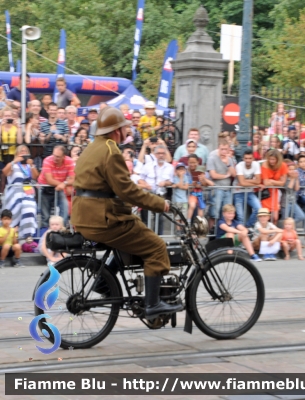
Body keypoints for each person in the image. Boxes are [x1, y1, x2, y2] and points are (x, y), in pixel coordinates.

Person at [71, 107, 183, 319]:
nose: (127, 131)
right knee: (156, 247)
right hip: (104, 220)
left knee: (132, 238)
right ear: (116, 130)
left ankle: (104, 283)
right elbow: (128, 191)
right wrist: (160, 204)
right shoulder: (111, 151)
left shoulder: (91, 148)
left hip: (85, 217)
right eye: (125, 127)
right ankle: (153, 305)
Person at [2, 145, 39, 240]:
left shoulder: (29, 166)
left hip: (27, 193)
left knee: (29, 209)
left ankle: (28, 235)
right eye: (21, 151)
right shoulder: (13, 165)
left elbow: (36, 177)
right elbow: (5, 172)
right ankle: (11, 234)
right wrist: (14, 161)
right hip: (14, 193)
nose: (23, 152)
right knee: (16, 208)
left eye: (25, 151)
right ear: (17, 154)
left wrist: (32, 165)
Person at [138, 145, 174, 235]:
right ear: (155, 154)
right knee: (145, 217)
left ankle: (158, 237)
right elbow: (140, 178)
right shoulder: (147, 166)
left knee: (160, 218)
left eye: (163, 153)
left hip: (160, 195)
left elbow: (171, 182)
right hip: (148, 194)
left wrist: (165, 183)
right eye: (159, 153)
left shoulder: (170, 167)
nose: (161, 155)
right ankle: (145, 237)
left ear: (165, 155)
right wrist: (145, 185)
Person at [38, 146, 75, 227]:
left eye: (57, 156)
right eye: (54, 155)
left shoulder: (69, 161)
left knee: (65, 209)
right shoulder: (47, 160)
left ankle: (62, 231)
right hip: (45, 187)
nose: (54, 158)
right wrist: (63, 184)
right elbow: (49, 180)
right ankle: (46, 235)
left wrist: (64, 184)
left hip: (59, 187)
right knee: (45, 215)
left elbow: (73, 179)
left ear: (64, 156)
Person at [207, 140, 236, 221]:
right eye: (222, 149)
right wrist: (226, 175)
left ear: (228, 149)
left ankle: (223, 232)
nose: (223, 151)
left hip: (227, 189)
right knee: (214, 213)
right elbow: (213, 175)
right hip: (216, 189)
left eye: (225, 149)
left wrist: (228, 164)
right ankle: (211, 232)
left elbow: (234, 174)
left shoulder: (229, 159)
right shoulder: (212, 158)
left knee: (227, 213)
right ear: (218, 148)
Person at [233, 149, 262, 228]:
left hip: (249, 191)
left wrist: (244, 180)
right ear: (243, 159)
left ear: (253, 158)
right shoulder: (239, 166)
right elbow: (242, 183)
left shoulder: (256, 165)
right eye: (246, 158)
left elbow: (258, 180)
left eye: (250, 158)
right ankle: (240, 233)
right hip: (238, 192)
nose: (248, 160)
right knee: (240, 216)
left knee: (259, 209)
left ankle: (248, 227)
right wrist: (254, 182)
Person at [260, 149, 288, 225]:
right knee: (265, 216)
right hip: (265, 193)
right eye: (270, 159)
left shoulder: (283, 165)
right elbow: (266, 182)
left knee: (275, 217)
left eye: (273, 159)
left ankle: (272, 233)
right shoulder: (265, 164)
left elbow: (282, 183)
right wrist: (277, 182)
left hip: (274, 192)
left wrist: (272, 181)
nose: (271, 161)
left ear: (278, 159)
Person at [171, 163, 189, 235]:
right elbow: (180, 185)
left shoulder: (186, 177)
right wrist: (181, 179)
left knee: (184, 216)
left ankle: (183, 229)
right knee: (177, 216)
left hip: (184, 201)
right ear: (176, 171)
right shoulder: (175, 178)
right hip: (177, 201)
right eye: (179, 169)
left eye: (183, 169)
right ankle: (178, 230)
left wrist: (178, 185)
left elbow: (185, 187)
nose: (181, 171)